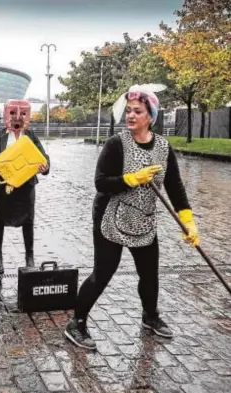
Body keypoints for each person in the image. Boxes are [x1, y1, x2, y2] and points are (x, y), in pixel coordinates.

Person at [65, 84, 200, 350]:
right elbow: (101, 183)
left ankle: (150, 316)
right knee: (103, 273)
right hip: (110, 218)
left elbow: (175, 186)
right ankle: (76, 323)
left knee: (149, 274)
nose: (131, 116)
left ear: (151, 116)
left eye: (137, 111)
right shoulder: (117, 144)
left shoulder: (162, 147)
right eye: (128, 111)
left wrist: (189, 222)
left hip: (144, 220)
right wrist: (130, 179)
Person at [0, 99, 49, 274]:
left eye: (21, 114)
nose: (17, 118)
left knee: (28, 223)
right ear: (7, 114)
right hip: (4, 188)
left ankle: (29, 257)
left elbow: (44, 157)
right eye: (13, 113)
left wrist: (45, 167)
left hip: (26, 188)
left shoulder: (31, 135)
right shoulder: (0, 136)